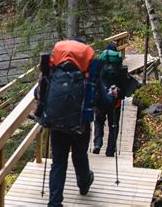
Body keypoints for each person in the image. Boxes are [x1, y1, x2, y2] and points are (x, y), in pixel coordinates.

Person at [46, 39, 95, 206]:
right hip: (80, 125)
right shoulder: (87, 73)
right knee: (79, 155)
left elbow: (39, 93)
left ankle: (54, 202)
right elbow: (100, 97)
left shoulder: (54, 72)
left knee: (58, 162)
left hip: (57, 124)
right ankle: (83, 184)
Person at [93, 43, 123, 157]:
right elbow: (123, 85)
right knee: (113, 125)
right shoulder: (120, 67)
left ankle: (97, 143)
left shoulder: (100, 66)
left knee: (99, 121)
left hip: (101, 99)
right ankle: (110, 150)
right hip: (115, 101)